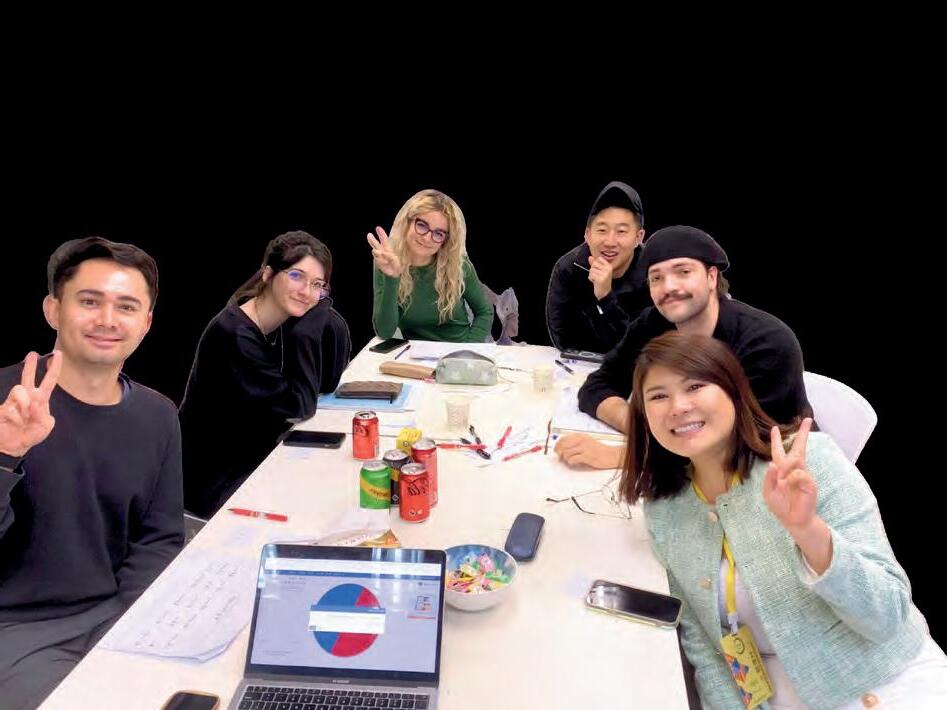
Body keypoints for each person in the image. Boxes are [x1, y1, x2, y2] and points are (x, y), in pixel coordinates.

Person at [621, 331, 946, 709]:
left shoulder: (809, 463)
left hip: (882, 682)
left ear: (733, 390)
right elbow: (703, 645)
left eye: (695, 386)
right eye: (658, 396)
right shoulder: (665, 509)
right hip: (776, 693)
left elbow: (887, 617)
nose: (678, 406)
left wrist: (808, 531)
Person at [0, 237, 183, 709]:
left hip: (114, 614)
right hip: (16, 630)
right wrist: (5, 455)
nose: (107, 319)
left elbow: (159, 539)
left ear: (146, 322)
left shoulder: (158, 415)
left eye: (126, 306)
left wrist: (133, 626)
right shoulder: (4, 402)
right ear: (52, 310)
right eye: (89, 301)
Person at [557, 225, 809, 469]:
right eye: (656, 278)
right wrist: (640, 429)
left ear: (712, 277)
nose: (669, 287)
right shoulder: (652, 324)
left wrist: (627, 456)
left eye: (683, 272)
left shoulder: (767, 343)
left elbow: (744, 442)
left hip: (778, 473)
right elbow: (597, 386)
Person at [179, 231, 341, 518]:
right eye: (296, 276)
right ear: (268, 274)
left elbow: (327, 382)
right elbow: (300, 407)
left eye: (317, 284)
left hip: (256, 457)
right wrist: (305, 334)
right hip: (215, 482)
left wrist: (319, 314)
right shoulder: (235, 335)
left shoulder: (281, 322)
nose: (306, 292)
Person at [367, 189, 493, 342]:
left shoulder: (459, 265)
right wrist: (392, 278)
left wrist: (467, 349)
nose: (427, 238)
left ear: (445, 241)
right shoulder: (387, 262)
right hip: (415, 353)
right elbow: (385, 332)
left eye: (439, 233)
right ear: (408, 223)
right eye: (422, 225)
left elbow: (485, 312)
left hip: (459, 348)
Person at [546, 181, 651, 353]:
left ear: (639, 237)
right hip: (580, 365)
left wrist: (605, 297)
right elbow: (564, 340)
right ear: (587, 235)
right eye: (602, 230)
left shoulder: (654, 271)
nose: (610, 242)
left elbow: (646, 346)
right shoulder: (568, 269)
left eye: (621, 231)